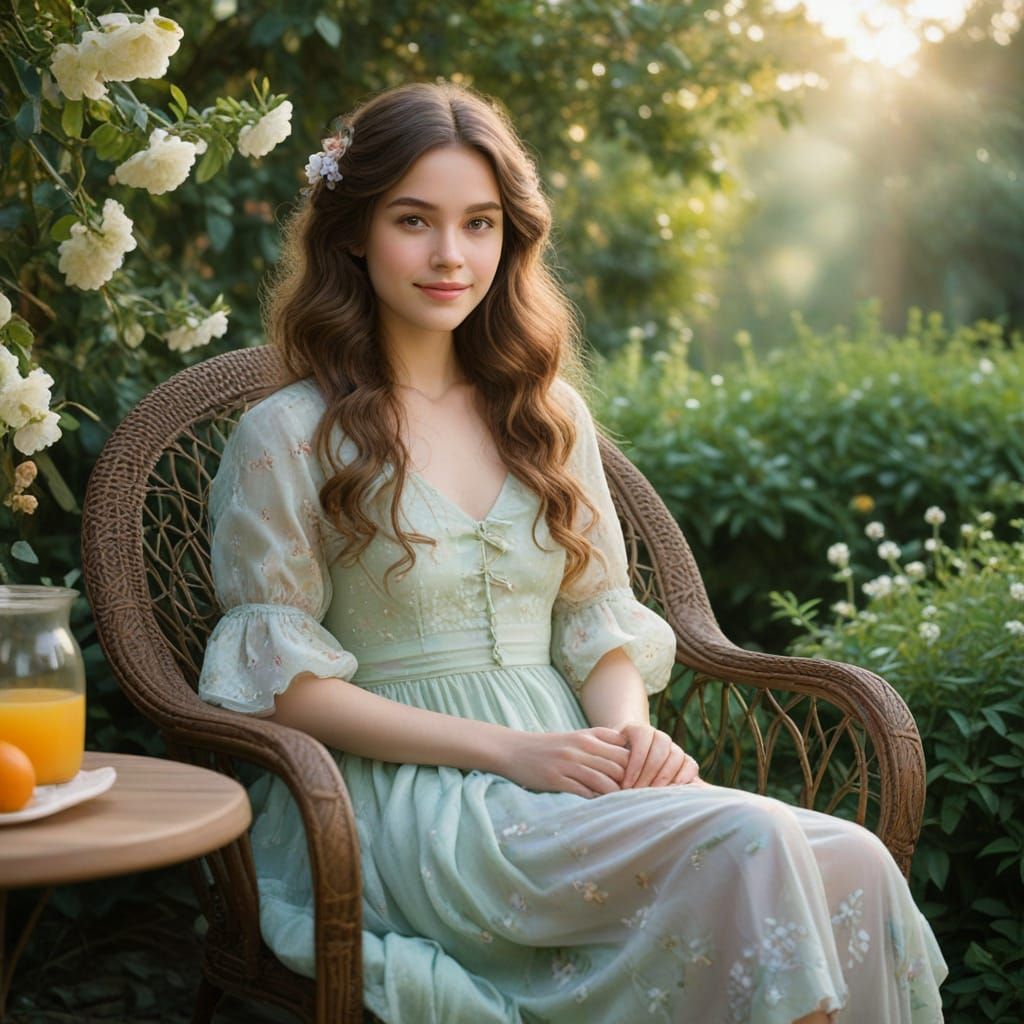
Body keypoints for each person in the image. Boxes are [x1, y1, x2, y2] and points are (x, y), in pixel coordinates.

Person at [197, 80, 947, 1024]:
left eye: (480, 224)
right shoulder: (286, 436)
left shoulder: (545, 418)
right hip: (407, 804)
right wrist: (514, 752)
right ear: (353, 231)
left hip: (573, 770)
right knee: (750, 841)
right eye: (413, 221)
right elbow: (286, 685)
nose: (449, 256)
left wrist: (630, 735)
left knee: (856, 862)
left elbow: (596, 619)